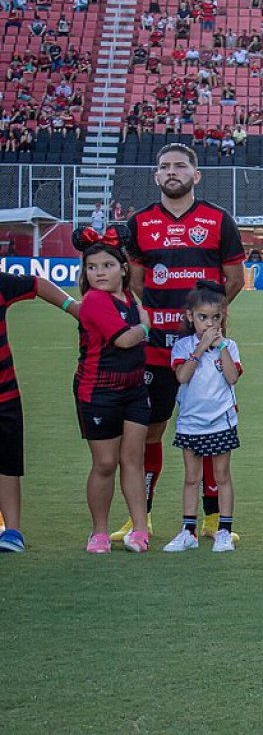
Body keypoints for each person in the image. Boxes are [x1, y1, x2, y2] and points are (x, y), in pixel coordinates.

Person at [118, 144, 245, 544]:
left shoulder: (218, 220)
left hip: (207, 353)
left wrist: (205, 327)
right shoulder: (140, 222)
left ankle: (211, 519)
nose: (172, 172)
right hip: (157, 350)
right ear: (156, 176)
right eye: (164, 167)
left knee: (210, 431)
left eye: (180, 166)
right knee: (151, 431)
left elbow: (234, 280)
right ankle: (144, 518)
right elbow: (136, 282)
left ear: (196, 173)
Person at [73, 226, 152, 553]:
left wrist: (142, 322)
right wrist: (145, 325)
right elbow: (124, 339)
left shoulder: (129, 296)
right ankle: (99, 533)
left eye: (106, 266)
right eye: (92, 267)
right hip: (98, 393)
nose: (98, 273)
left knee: (133, 460)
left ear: (123, 268)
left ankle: (139, 530)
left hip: (134, 389)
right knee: (105, 463)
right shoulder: (93, 301)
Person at [0, 254, 79, 552]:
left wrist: (73, 308)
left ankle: (13, 532)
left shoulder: (2, 282)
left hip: (4, 395)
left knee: (8, 465)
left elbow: (38, 284)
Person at [163, 281, 241, 553]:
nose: (209, 324)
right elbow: (182, 376)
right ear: (190, 317)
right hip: (191, 423)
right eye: (202, 317)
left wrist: (219, 348)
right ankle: (188, 531)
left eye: (215, 317)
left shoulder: (229, 346)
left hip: (221, 420)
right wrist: (199, 349)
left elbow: (232, 377)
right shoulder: (183, 347)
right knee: (191, 478)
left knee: (222, 476)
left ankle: (224, 531)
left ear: (223, 317)